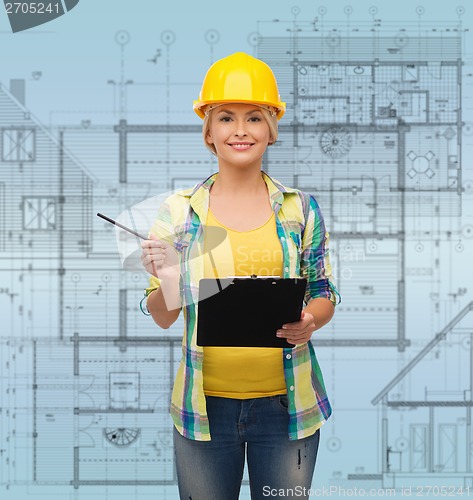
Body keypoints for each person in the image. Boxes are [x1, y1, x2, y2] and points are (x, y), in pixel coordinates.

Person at [140, 52, 341, 500]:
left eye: (255, 117)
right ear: (208, 130)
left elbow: (323, 291)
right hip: (204, 408)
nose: (240, 129)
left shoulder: (301, 209)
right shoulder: (179, 212)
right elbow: (162, 315)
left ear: (272, 128)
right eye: (225, 117)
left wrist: (311, 320)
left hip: (286, 408)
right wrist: (166, 274)